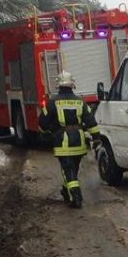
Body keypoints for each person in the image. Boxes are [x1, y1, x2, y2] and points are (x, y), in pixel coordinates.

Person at [38, 72, 101, 208]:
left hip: (62, 143)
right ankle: (66, 191)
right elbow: (91, 122)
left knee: (67, 169)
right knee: (73, 169)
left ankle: (76, 198)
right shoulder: (80, 102)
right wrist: (96, 138)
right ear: (72, 85)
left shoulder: (52, 102)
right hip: (79, 142)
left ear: (59, 85)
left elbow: (42, 123)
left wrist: (47, 133)